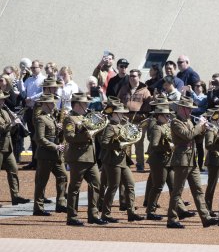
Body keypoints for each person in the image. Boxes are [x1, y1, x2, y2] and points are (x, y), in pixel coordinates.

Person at [166, 98, 217, 229]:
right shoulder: (176, 122)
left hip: (191, 160)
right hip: (182, 160)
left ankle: (205, 218)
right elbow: (188, 135)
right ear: (182, 109)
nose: (190, 111)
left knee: (198, 190)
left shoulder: (188, 121)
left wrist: (203, 129)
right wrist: (199, 127)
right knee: (177, 191)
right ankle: (171, 219)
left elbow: (196, 139)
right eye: (188, 109)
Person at [63, 93, 107, 226]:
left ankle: (93, 214)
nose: (87, 106)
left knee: (96, 184)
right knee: (75, 187)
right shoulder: (69, 119)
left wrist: (102, 125)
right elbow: (70, 137)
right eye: (85, 103)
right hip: (78, 157)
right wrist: (86, 135)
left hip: (90, 157)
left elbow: (97, 134)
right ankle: (72, 216)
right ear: (78, 104)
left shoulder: (85, 117)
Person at [99, 104, 144, 223]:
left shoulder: (120, 125)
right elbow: (104, 143)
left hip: (122, 160)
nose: (123, 115)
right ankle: (105, 214)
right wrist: (119, 145)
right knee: (113, 186)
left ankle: (131, 212)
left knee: (130, 185)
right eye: (121, 113)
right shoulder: (110, 127)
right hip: (112, 160)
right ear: (114, 114)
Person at [32, 94, 68, 216]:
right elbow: (40, 138)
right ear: (45, 104)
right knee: (42, 181)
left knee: (63, 176)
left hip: (55, 155)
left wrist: (59, 128)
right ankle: (38, 208)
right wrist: (56, 146)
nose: (54, 105)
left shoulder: (51, 117)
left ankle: (61, 203)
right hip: (45, 154)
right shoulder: (40, 118)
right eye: (52, 103)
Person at [117, 69, 152, 172]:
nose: (132, 78)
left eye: (134, 76)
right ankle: (126, 162)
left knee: (139, 144)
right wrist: (120, 114)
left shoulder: (144, 90)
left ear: (139, 77)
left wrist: (143, 116)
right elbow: (118, 102)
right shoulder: (124, 88)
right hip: (125, 120)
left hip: (139, 121)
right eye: (130, 76)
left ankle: (140, 164)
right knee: (126, 143)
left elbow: (148, 105)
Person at [0, 91, 30, 207]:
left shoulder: (5, 112)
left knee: (13, 170)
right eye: (1, 99)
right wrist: (11, 124)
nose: (3, 101)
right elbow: (2, 128)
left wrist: (16, 124)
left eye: (3, 99)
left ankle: (15, 196)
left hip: (8, 147)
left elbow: (10, 131)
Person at [18, 59, 45, 170]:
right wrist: (20, 78)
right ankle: (34, 161)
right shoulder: (28, 79)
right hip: (29, 110)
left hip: (38, 109)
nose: (33, 69)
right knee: (33, 135)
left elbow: (44, 92)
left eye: (35, 67)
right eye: (32, 68)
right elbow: (23, 92)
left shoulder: (43, 79)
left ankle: (40, 161)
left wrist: (31, 98)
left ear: (40, 67)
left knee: (39, 135)